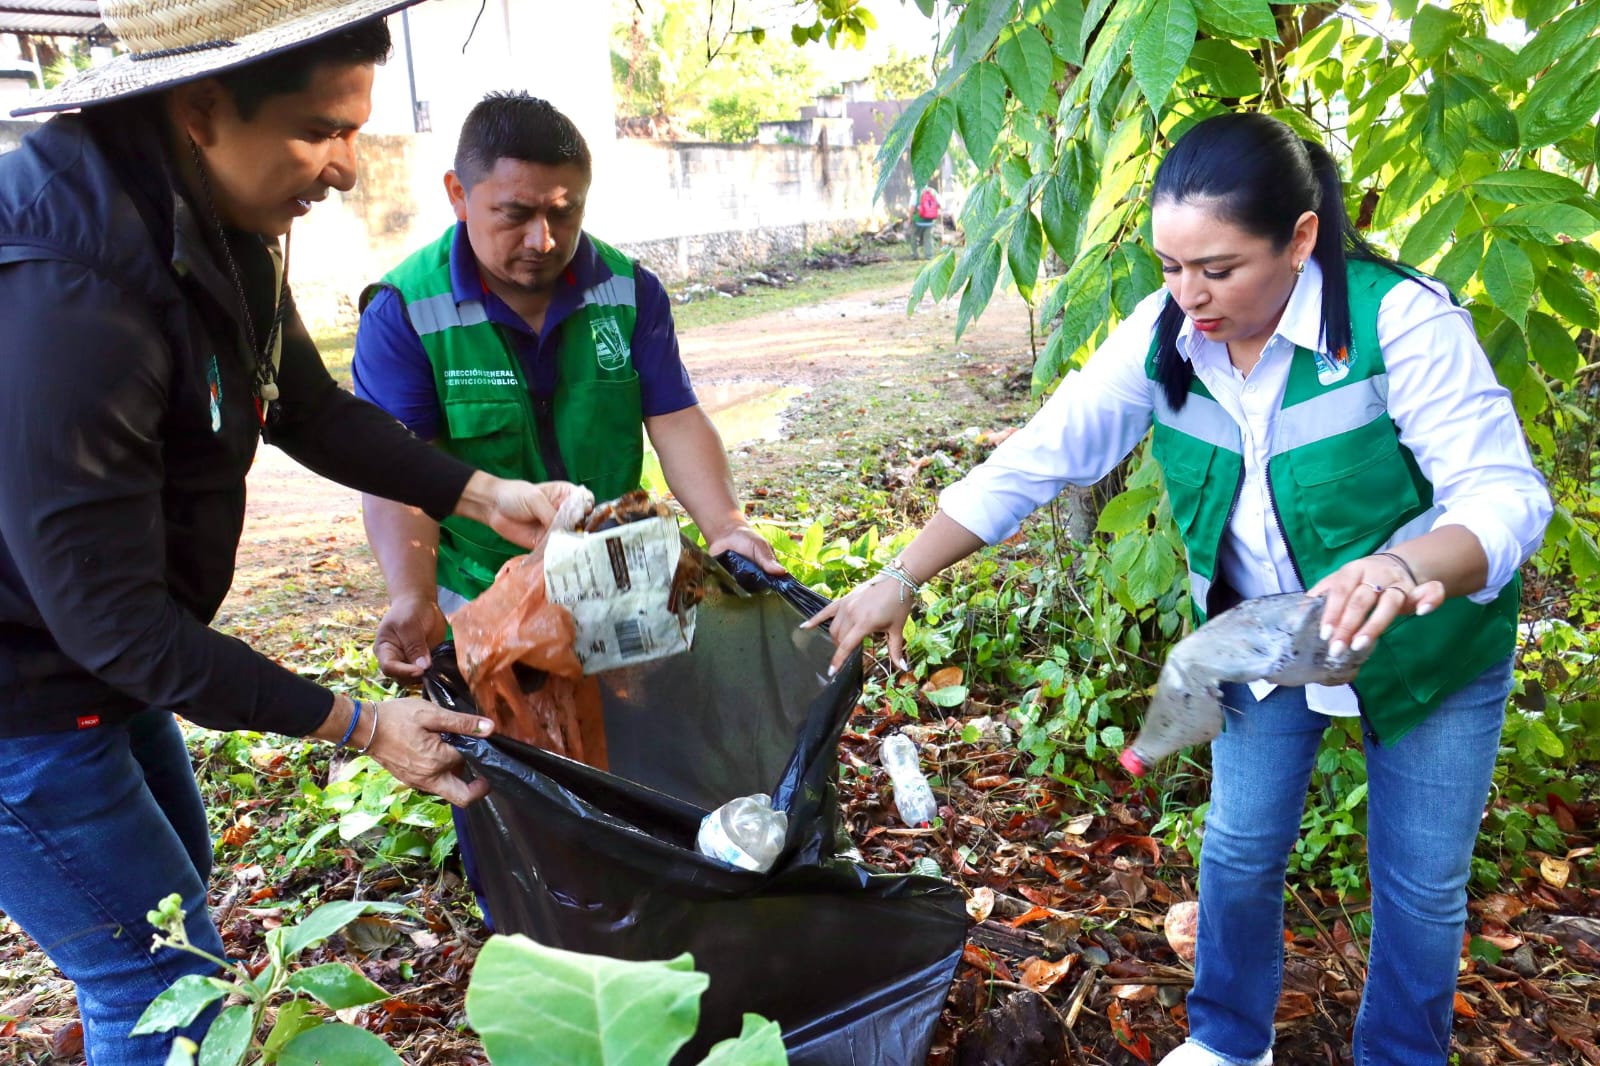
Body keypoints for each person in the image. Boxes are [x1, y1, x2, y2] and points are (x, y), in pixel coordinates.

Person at [807, 113, 1551, 1066]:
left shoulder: (1398, 322)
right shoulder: (1167, 338)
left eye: (1220, 269)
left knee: (1419, 885)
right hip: (1264, 641)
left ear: (1301, 239)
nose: (1190, 297)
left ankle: (1402, 1053)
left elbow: (1503, 493)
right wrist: (898, 576)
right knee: (1239, 853)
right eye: (1169, 267)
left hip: (1431, 646)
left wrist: (1405, 568)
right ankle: (1229, 1041)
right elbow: (1041, 456)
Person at [0, 5, 576, 1063]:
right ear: (203, 106)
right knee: (155, 980)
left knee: (177, 917)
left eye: (356, 128)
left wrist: (484, 493)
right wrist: (357, 723)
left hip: (92, 664)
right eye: (321, 131)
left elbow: (301, 403)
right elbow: (113, 622)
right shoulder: (73, 290)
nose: (350, 168)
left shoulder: (211, 218)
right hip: (23, 698)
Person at [351, 91, 780, 917]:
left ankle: (661, 904)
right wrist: (410, 597)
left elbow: (675, 415)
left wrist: (725, 525)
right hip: (480, 595)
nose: (542, 241)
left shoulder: (626, 289)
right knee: (513, 773)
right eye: (514, 214)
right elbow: (393, 468)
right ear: (457, 195)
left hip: (620, 572)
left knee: (645, 744)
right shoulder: (406, 310)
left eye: (564, 213)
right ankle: (539, 918)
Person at [912, 180, 941, 259]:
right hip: (930, 221)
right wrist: (932, 211)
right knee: (928, 238)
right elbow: (940, 204)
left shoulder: (916, 192)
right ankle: (929, 256)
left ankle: (915, 255)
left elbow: (912, 207)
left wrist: (909, 218)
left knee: (914, 237)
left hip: (918, 220)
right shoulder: (933, 192)